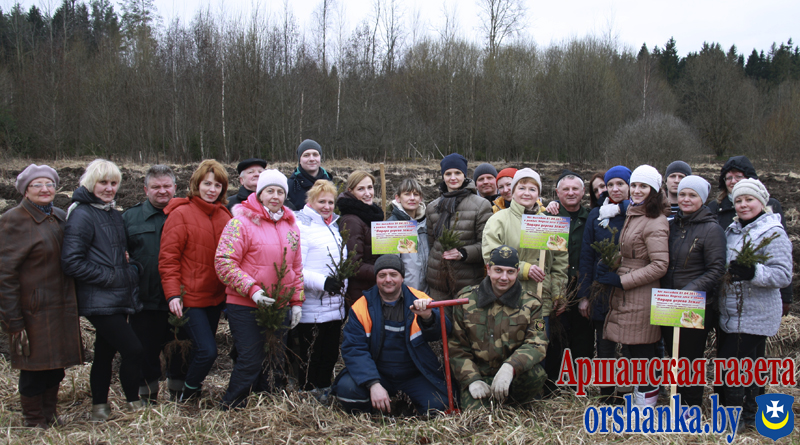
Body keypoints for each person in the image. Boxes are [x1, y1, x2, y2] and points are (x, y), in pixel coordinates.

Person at [61, 159, 144, 421]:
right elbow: (71, 261)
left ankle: (100, 407)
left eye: (113, 183)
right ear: (90, 183)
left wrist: (131, 267)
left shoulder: (111, 212)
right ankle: (133, 402)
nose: (109, 188)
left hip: (116, 295)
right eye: (103, 182)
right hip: (98, 297)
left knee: (105, 353)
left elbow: (118, 253)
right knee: (133, 349)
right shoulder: (82, 214)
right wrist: (110, 276)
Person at [0, 165, 83, 428]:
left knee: (56, 367)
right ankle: (34, 420)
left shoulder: (59, 216)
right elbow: (5, 274)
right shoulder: (13, 220)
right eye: (37, 185)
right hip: (33, 309)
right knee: (34, 368)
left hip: (61, 306)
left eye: (49, 184)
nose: (45, 189)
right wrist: (12, 319)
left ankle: (50, 414)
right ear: (25, 190)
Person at [215, 170, 304, 409]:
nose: (275, 196)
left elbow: (295, 267)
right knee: (250, 359)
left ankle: (266, 403)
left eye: (280, 191)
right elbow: (224, 262)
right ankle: (233, 404)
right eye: (270, 191)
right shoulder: (240, 223)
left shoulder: (291, 226)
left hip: (279, 305)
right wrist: (252, 289)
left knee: (275, 358)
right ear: (259, 193)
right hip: (245, 305)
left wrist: (296, 302)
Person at [717, 178, 792, 432]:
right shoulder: (731, 231)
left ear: (761, 202)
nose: (743, 205)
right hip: (733, 311)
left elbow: (783, 274)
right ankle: (752, 414)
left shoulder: (773, 232)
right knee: (751, 363)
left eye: (749, 199)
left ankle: (734, 418)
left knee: (730, 362)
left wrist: (753, 272)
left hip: (757, 313)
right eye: (738, 200)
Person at [333, 255, 450, 415]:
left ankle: (408, 407)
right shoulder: (361, 307)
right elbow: (354, 349)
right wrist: (373, 383)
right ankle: (373, 413)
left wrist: (428, 317)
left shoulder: (420, 299)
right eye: (382, 275)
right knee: (348, 390)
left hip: (414, 374)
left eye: (393, 274)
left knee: (441, 404)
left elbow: (444, 330)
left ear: (402, 277)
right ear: (376, 278)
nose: (388, 280)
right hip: (378, 373)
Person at [595, 164, 669, 410]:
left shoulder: (655, 221)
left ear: (654, 190)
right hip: (628, 293)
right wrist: (610, 266)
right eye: (634, 185)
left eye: (643, 186)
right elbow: (629, 252)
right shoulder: (635, 213)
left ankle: (644, 409)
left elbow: (659, 265)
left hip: (641, 295)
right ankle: (637, 403)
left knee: (643, 353)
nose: (637, 190)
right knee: (634, 351)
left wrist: (622, 280)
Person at [159, 160, 233, 402]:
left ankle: (188, 389)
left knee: (198, 349)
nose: (212, 190)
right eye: (207, 184)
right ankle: (189, 394)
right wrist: (173, 294)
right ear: (196, 185)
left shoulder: (224, 215)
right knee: (207, 350)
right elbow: (169, 259)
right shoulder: (180, 214)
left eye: (217, 185)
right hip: (190, 297)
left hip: (215, 297)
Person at [450, 245, 548, 409]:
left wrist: (510, 367)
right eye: (498, 270)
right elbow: (457, 346)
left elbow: (538, 343)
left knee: (536, 375)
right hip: (481, 377)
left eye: (510, 272)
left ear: (517, 272)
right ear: (488, 269)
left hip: (513, 376)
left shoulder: (533, 304)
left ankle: (515, 404)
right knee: (477, 416)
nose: (504, 277)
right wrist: (472, 379)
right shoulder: (465, 301)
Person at [660, 175, 726, 409]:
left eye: (692, 195)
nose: (685, 199)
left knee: (690, 358)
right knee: (673, 356)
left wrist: (689, 291)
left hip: (694, 305)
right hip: (668, 302)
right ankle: (676, 403)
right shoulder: (671, 226)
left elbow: (716, 269)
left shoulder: (712, 229)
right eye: (682, 194)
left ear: (703, 199)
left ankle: (691, 407)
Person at [122, 165, 187, 403]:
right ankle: (147, 397)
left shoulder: (186, 213)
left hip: (181, 299)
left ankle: (179, 394)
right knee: (145, 351)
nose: (162, 191)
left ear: (175, 187)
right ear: (145, 189)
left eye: (166, 186)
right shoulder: (130, 217)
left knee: (179, 349)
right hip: (144, 300)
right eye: (156, 187)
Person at [482, 168, 568, 338]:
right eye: (521, 188)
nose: (527, 193)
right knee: (507, 345)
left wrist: (558, 291)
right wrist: (524, 269)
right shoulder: (498, 220)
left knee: (538, 344)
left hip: (540, 300)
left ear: (538, 194)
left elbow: (560, 261)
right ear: (513, 192)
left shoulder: (551, 223)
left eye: (532, 189)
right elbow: (491, 255)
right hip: (507, 297)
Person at [707, 155, 791, 316]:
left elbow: (781, 258)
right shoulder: (715, 208)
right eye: (728, 177)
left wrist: (786, 296)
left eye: (738, 176)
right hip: (724, 296)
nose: (733, 181)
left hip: (757, 302)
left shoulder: (771, 209)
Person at [577, 166, 630, 404]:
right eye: (610, 185)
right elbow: (587, 255)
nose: (615, 189)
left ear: (629, 186)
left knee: (630, 345)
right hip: (601, 289)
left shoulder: (637, 213)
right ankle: (607, 394)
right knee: (605, 343)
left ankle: (628, 394)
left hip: (629, 289)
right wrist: (584, 295)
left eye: (621, 184)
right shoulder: (596, 215)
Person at [294, 180, 346, 394]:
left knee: (329, 354)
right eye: (321, 201)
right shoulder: (301, 227)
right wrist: (323, 282)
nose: (327, 206)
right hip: (312, 306)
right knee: (311, 354)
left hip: (334, 305)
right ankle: (307, 392)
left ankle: (324, 389)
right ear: (310, 201)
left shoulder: (332, 226)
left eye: (330, 202)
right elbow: (295, 268)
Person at [426, 153, 493, 301]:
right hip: (437, 282)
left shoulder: (481, 205)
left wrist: (463, 253)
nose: (453, 178)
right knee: (440, 316)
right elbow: (432, 244)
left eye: (457, 173)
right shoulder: (432, 207)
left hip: (467, 283)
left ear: (465, 175)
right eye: (448, 173)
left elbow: (486, 244)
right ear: (443, 176)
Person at [545, 170, 593, 360]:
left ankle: (580, 378)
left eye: (575, 189)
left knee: (583, 344)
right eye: (566, 189)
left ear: (583, 192)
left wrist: (587, 294)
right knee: (556, 343)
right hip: (555, 286)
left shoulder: (592, 218)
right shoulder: (548, 218)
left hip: (583, 287)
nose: (571, 193)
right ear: (557, 192)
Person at [338, 171, 385, 308]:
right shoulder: (352, 221)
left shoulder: (370, 214)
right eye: (361, 189)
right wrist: (384, 271)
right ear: (350, 191)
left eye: (370, 187)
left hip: (372, 288)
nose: (368, 193)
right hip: (360, 293)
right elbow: (354, 265)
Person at [386, 178, 429, 291]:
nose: (412, 198)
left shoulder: (427, 223)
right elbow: (389, 267)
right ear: (398, 198)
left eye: (416, 194)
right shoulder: (392, 226)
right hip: (405, 292)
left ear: (420, 198)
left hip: (428, 292)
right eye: (407, 194)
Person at [287, 139, 334, 210]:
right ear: (300, 160)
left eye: (315, 155)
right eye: (306, 155)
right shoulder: (290, 186)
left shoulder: (330, 183)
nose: (312, 159)